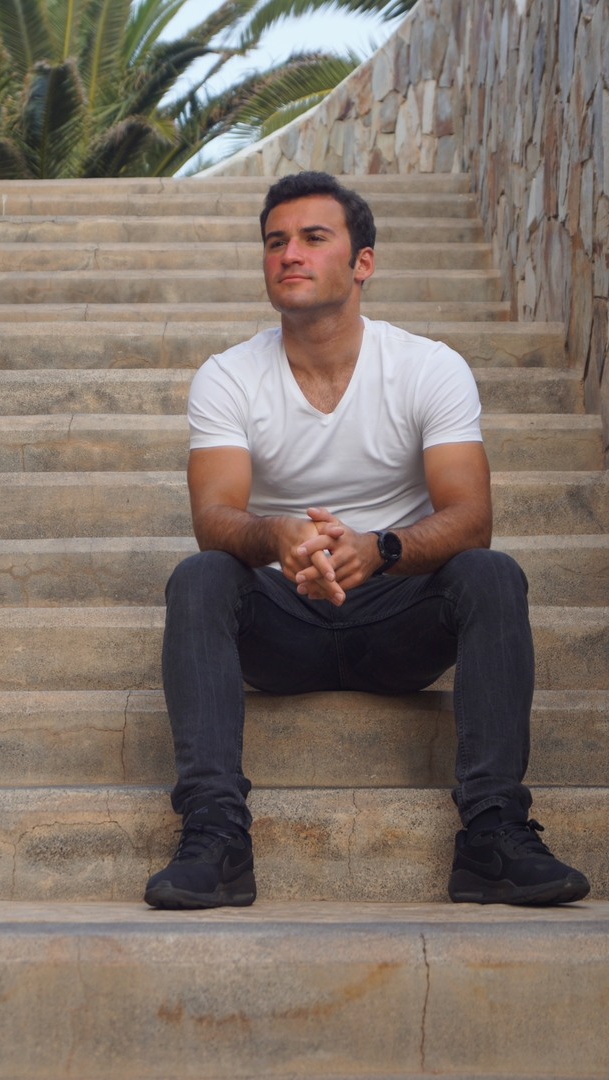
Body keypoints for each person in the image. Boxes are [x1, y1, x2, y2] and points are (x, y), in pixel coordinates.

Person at [144, 171, 590, 911]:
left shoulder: (427, 367)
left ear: (363, 263)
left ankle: (492, 836)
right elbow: (214, 517)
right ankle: (215, 836)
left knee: (490, 572)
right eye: (275, 242)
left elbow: (471, 516)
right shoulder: (228, 376)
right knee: (201, 576)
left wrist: (379, 549)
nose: (290, 254)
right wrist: (279, 535)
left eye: (313, 238)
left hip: (397, 619)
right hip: (285, 620)